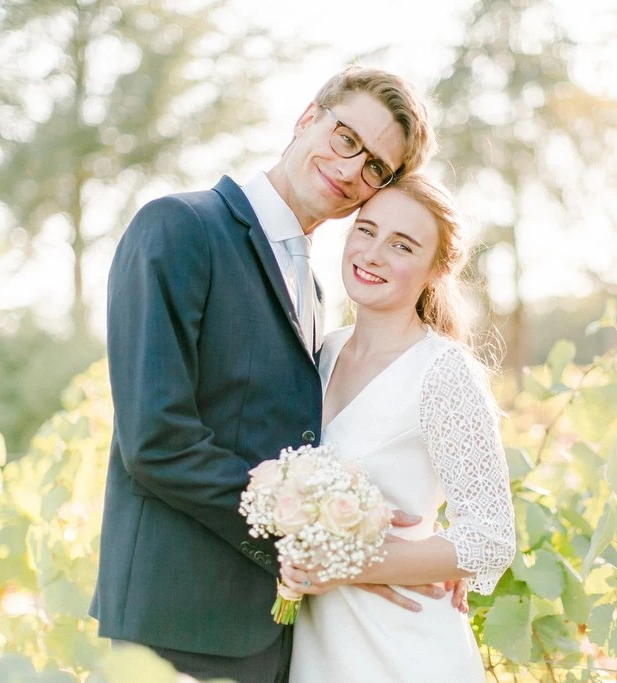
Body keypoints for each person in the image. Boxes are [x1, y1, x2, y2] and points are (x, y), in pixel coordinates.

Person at [89, 66, 438, 682]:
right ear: (308, 117)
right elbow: (156, 440)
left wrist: (412, 554)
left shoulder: (318, 287)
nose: (352, 169)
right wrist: (302, 544)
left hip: (278, 632)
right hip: (180, 623)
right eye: (345, 138)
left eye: (376, 168)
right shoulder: (179, 228)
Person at [281, 174, 517, 682]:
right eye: (366, 230)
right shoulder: (319, 353)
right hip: (317, 648)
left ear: (438, 269)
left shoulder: (443, 372)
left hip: (404, 651)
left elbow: (490, 539)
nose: (373, 254)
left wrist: (349, 564)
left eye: (402, 245)